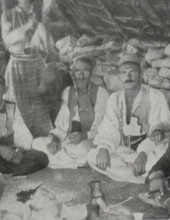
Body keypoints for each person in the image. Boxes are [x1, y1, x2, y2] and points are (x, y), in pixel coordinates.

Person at [88, 54, 170, 183]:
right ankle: (143, 176)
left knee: (159, 158)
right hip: (126, 151)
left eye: (133, 72)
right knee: (92, 155)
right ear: (120, 77)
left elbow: (159, 129)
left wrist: (143, 154)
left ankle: (144, 172)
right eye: (124, 73)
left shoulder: (154, 95)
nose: (128, 77)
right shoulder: (115, 98)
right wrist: (103, 149)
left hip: (151, 150)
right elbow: (109, 127)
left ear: (141, 75)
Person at [1, 0, 57, 137]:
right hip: (17, 65)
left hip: (35, 64)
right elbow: (7, 40)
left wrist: (44, 17)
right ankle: (20, 140)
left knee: (38, 103)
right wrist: (26, 27)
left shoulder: (40, 13)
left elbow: (47, 42)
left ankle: (41, 140)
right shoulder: (8, 15)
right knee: (17, 104)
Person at [32, 55, 109, 169]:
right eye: (77, 71)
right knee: (37, 143)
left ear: (91, 74)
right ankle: (69, 160)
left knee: (83, 150)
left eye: (85, 71)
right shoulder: (68, 92)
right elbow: (61, 123)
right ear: (73, 74)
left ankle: (59, 160)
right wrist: (56, 139)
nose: (81, 76)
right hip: (68, 140)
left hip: (89, 140)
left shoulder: (101, 93)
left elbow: (102, 126)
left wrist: (85, 135)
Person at [0, 71, 49, 176]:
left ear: (5, 89)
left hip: (11, 151)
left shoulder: (12, 106)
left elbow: (22, 134)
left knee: (42, 157)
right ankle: (17, 169)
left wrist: (19, 151)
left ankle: (12, 169)